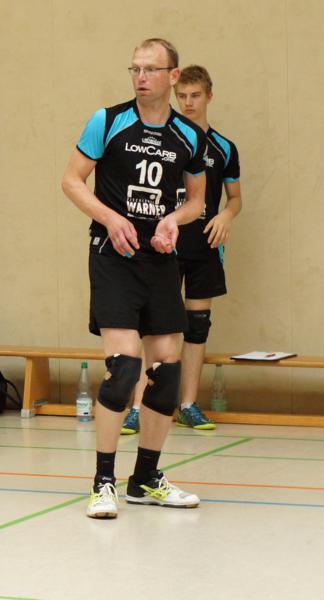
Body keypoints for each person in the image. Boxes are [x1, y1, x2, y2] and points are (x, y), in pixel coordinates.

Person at [61, 38, 207, 519]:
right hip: (113, 257)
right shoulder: (107, 121)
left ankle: (145, 479)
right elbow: (71, 181)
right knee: (124, 368)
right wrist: (109, 218)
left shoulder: (189, 136)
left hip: (161, 261)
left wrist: (174, 221)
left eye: (151, 69)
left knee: (165, 372)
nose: (141, 77)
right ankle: (103, 480)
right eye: (135, 69)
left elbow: (196, 202)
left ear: (173, 75)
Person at [121, 65, 241, 434]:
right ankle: (140, 406)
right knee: (156, 327)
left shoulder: (223, 148)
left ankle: (188, 404)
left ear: (209, 96)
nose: (188, 102)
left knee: (197, 325)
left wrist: (226, 215)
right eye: (182, 96)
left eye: (195, 96)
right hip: (165, 246)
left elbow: (235, 198)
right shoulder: (168, 139)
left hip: (205, 247)